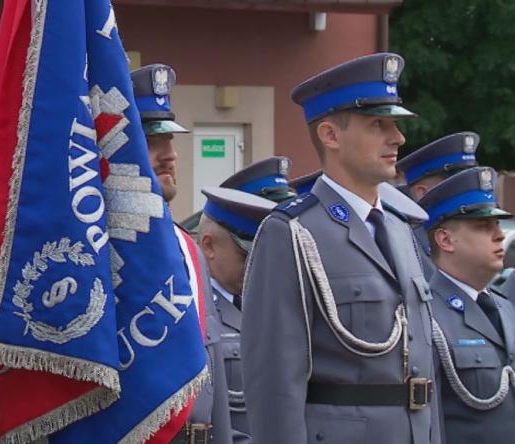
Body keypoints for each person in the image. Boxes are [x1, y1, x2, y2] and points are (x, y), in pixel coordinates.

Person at [241, 53, 442, 443]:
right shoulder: (293, 233)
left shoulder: (401, 231)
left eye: (395, 125)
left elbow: (425, 377)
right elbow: (274, 383)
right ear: (330, 135)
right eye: (377, 125)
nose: (398, 138)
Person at [131, 63, 231, 443]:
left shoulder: (186, 247)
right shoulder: (95, 254)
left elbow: (213, 371)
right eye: (152, 141)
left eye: (169, 141)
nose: (170, 154)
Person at [417, 166, 515, 444]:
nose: (499, 236)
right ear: (445, 240)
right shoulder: (425, 313)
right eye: (484, 227)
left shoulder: (504, 307)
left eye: (497, 225)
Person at [197, 184, 276, 443]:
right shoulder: (194, 313)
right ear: (208, 246)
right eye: (246, 256)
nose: (256, 266)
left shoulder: (266, 303)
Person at [396, 132, 480, 279]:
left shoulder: (461, 235)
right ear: (422, 193)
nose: (467, 193)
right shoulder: (398, 238)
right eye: (458, 186)